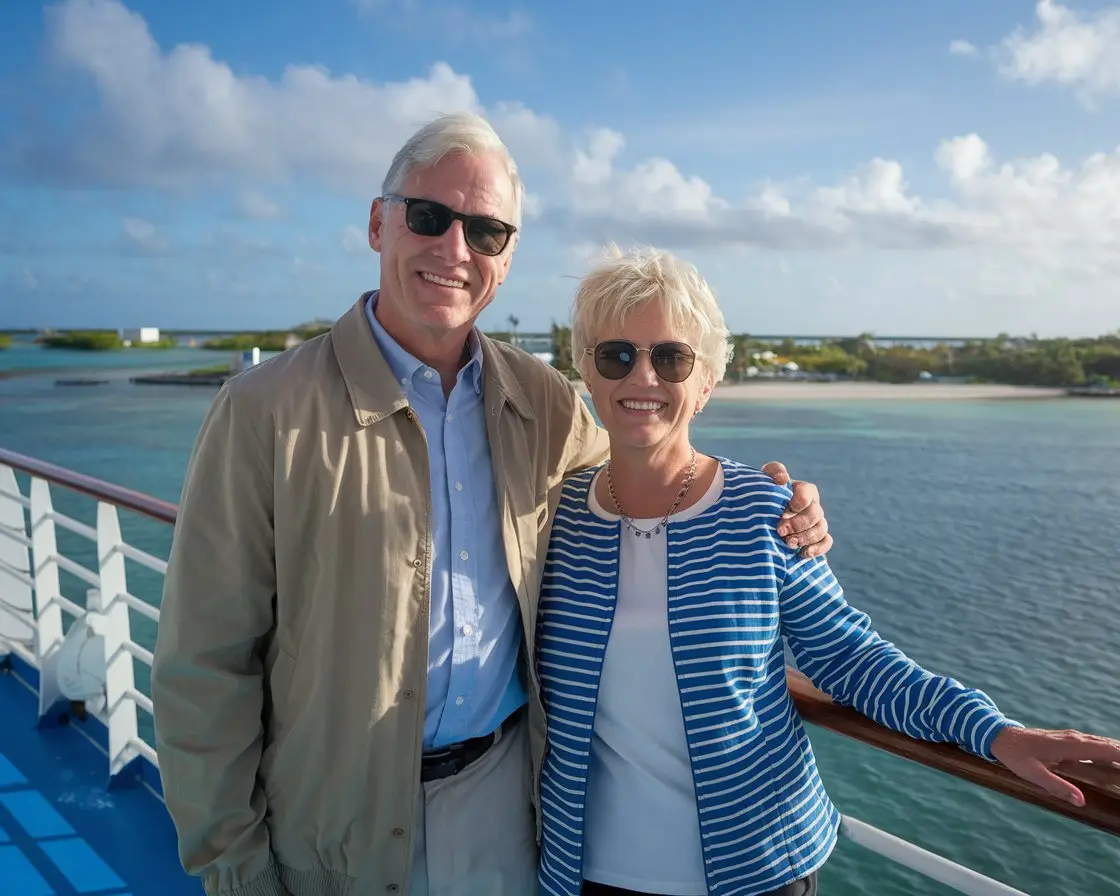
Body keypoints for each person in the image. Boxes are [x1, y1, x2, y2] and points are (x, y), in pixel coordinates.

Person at [149, 113, 835, 896]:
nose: (455, 251)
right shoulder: (263, 411)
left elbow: (643, 471)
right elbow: (203, 665)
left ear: (507, 260)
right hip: (332, 821)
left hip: (505, 808)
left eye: (486, 232)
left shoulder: (539, 399)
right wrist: (235, 869)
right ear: (379, 224)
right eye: (430, 218)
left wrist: (766, 497)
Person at [534, 245, 1120, 896]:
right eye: (617, 355)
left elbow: (848, 657)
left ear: (704, 382)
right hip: (586, 872)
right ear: (586, 370)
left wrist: (992, 731)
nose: (642, 377)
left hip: (756, 870)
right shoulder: (556, 519)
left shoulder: (764, 512)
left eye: (669, 356)